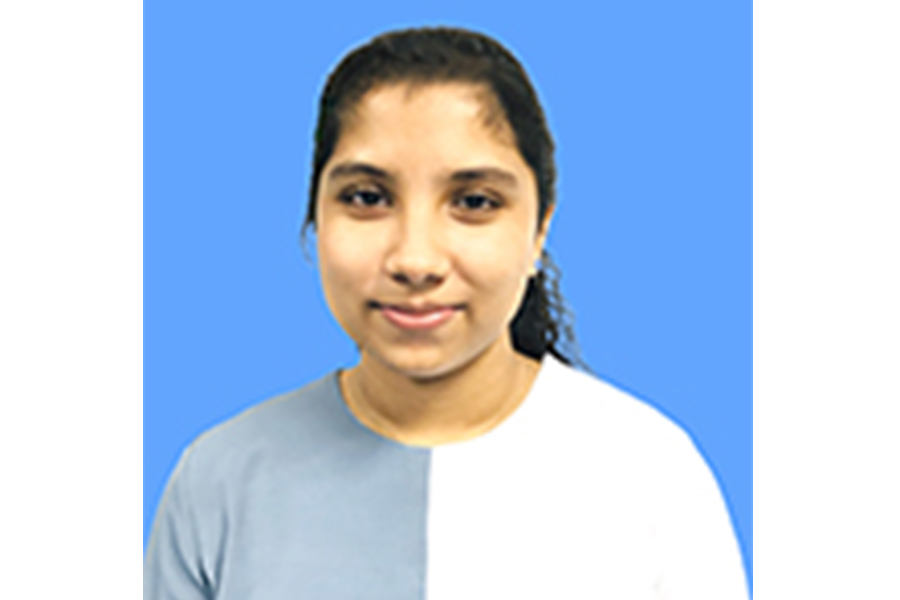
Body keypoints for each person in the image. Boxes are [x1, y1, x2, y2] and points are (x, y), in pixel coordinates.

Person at [145, 26, 749, 599]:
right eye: (367, 198)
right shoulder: (219, 481)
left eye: (474, 202)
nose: (415, 258)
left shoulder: (650, 474)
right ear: (315, 217)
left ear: (539, 228)